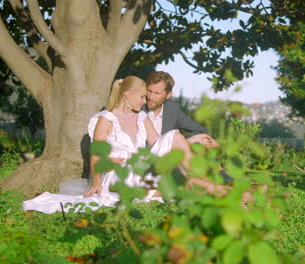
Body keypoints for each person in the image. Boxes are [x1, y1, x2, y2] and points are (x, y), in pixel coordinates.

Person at [22, 76, 198, 214]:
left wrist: (187, 141)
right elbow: (96, 154)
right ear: (129, 95)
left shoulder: (142, 118)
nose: (145, 101)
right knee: (166, 185)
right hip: (116, 173)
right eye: (143, 96)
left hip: (140, 167)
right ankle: (184, 188)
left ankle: (201, 179)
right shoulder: (106, 119)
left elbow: (158, 143)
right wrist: (96, 182)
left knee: (174, 136)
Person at [144, 71, 234, 184]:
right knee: (183, 139)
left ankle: (219, 173)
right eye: (149, 91)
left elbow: (200, 129)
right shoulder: (138, 109)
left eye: (156, 93)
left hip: (173, 160)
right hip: (149, 161)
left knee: (203, 139)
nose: (151, 97)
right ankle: (215, 179)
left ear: (168, 95)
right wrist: (186, 141)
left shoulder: (172, 109)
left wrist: (211, 141)